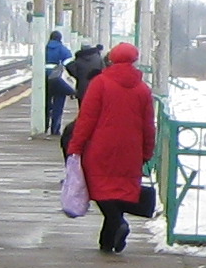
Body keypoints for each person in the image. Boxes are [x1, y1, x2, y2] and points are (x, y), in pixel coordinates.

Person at [65, 40, 158, 255]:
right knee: (119, 191)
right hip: (131, 150)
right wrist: (147, 151)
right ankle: (107, 241)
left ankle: (118, 222)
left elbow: (87, 119)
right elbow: (148, 125)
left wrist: (75, 146)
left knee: (99, 189)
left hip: (100, 147)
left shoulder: (100, 83)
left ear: (111, 59)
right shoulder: (143, 89)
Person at [61, 39, 106, 154]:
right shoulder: (97, 58)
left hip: (82, 89)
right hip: (96, 88)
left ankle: (83, 132)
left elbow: (73, 71)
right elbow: (104, 71)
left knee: (83, 112)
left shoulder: (79, 60)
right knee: (96, 111)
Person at [41, 28, 72, 135]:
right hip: (59, 80)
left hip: (44, 79)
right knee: (58, 105)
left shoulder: (44, 48)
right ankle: (55, 129)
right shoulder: (63, 49)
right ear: (60, 39)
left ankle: (44, 126)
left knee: (45, 104)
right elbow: (69, 65)